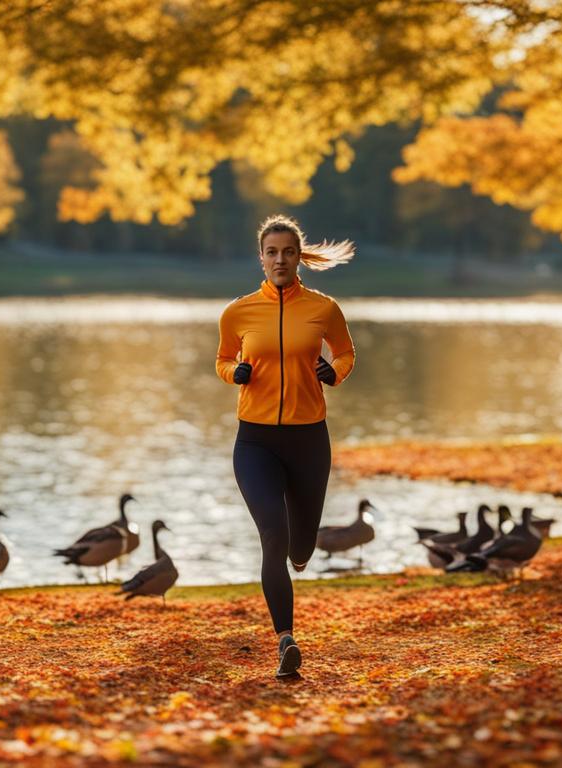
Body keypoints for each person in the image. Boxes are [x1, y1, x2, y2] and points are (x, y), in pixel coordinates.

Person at [215, 214, 357, 679]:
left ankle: (303, 551)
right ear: (261, 258)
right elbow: (222, 357)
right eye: (272, 252)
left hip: (308, 439)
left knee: (301, 545)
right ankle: (285, 641)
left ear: (299, 258)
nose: (280, 259)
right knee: (272, 536)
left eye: (288, 252)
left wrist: (333, 373)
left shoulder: (323, 308)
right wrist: (231, 372)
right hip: (254, 440)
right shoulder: (238, 312)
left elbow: (345, 352)